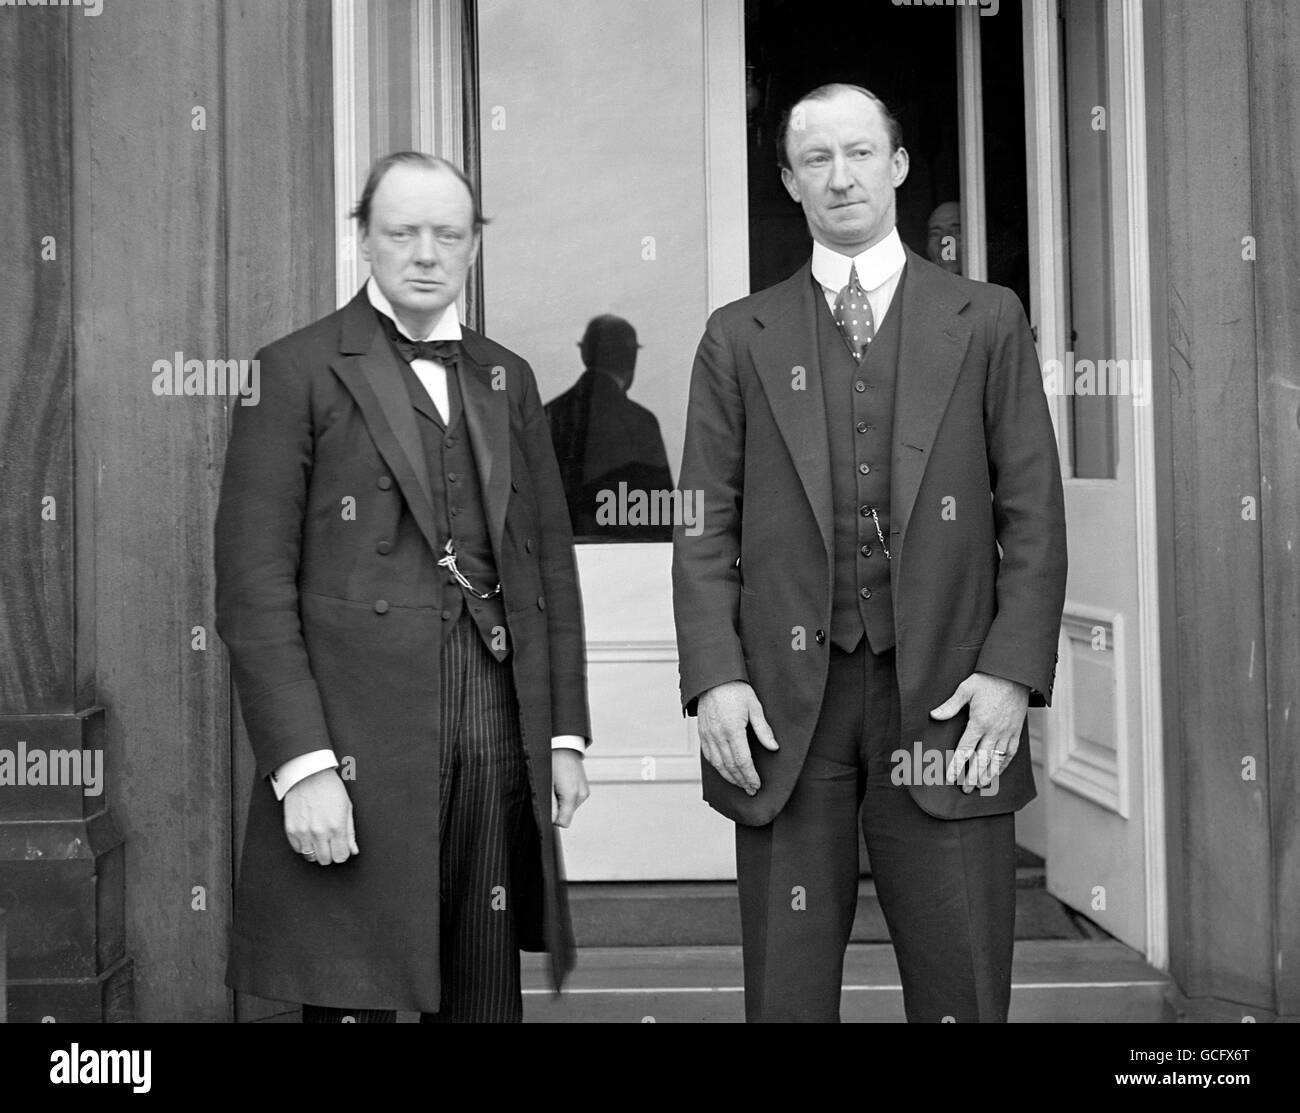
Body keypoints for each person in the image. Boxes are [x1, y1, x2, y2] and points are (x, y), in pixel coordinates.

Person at [672, 84, 1067, 1022]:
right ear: (790, 181)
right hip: (782, 703)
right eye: (816, 159)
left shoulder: (987, 318)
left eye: (859, 153)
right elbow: (701, 525)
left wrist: (1011, 674)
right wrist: (715, 677)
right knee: (786, 994)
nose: (840, 176)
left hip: (950, 696)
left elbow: (1035, 515)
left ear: (895, 166)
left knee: (961, 987)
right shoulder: (738, 335)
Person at [215, 151, 591, 1023]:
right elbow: (253, 589)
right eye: (402, 232)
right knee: (358, 986)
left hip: (493, 714)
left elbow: (546, 568)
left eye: (447, 234)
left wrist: (564, 731)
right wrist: (301, 766)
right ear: (364, 241)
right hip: (355, 733)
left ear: (472, 248)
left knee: (484, 985)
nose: (425, 252)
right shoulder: (293, 370)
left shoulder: (509, 376)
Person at [546, 315, 675, 540]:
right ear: (631, 358)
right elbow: (661, 515)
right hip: (629, 555)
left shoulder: (548, 414)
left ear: (585, 354)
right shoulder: (641, 422)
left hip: (563, 552)